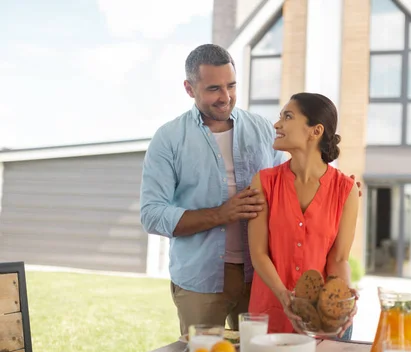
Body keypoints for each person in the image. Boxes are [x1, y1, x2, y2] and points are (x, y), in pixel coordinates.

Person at [140, 44, 361, 336]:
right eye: (213, 89)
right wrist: (221, 214)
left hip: (258, 280)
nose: (225, 97)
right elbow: (152, 215)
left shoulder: (262, 131)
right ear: (189, 89)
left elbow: (297, 178)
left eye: (231, 85)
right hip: (202, 280)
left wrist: (340, 191)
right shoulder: (169, 139)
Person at [248, 92, 359, 340]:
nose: (277, 125)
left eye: (288, 116)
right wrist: (284, 296)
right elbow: (259, 253)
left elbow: (339, 258)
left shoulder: (346, 189)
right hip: (270, 314)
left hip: (320, 322)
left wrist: (342, 296)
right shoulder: (265, 182)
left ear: (315, 131)